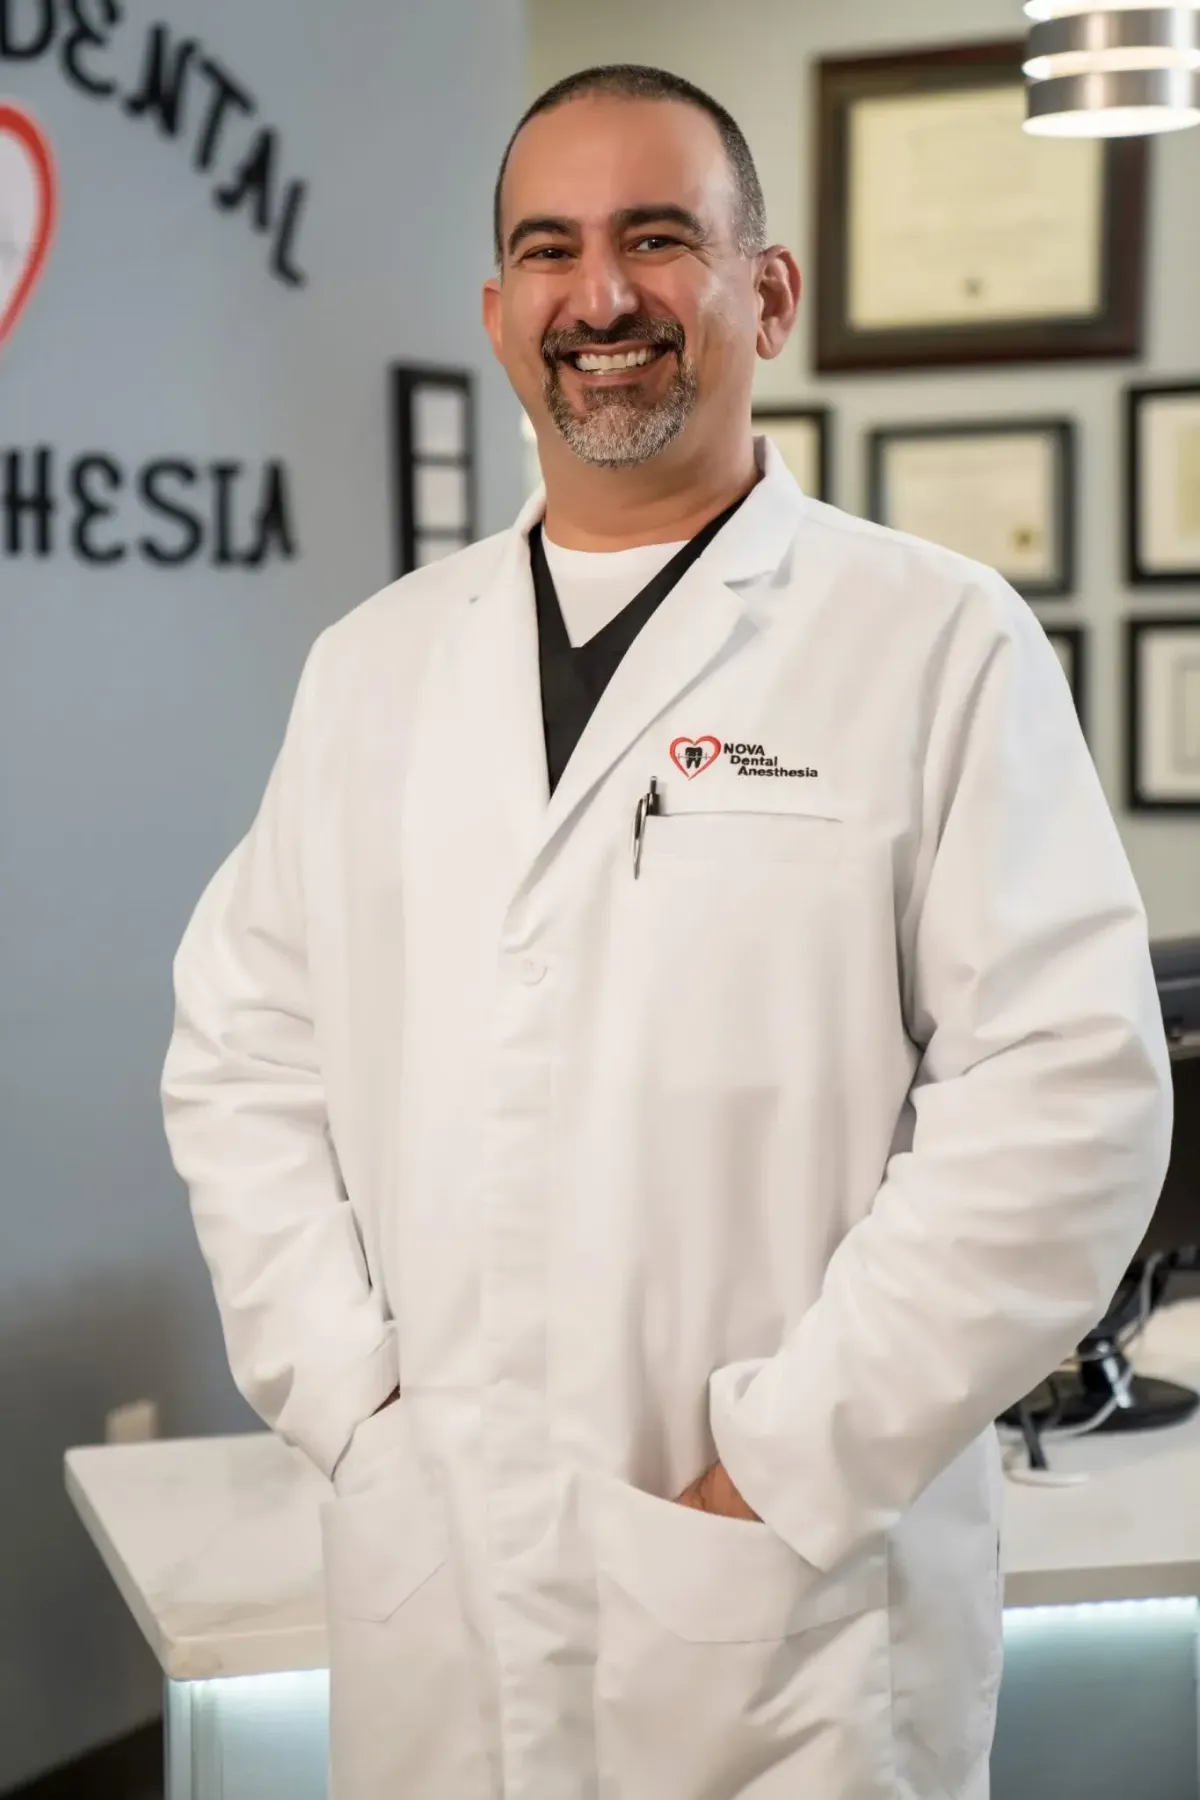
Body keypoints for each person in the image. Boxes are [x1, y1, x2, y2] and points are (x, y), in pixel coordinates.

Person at [162, 63, 1173, 1800]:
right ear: (498, 315)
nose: (602, 296)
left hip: (789, 1614)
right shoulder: (374, 672)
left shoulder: (932, 642)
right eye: (549, 251)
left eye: (657, 239)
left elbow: (1067, 1106)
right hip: (440, 1587)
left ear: (766, 292)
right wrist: (355, 1404)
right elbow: (242, 1054)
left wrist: (781, 1469)